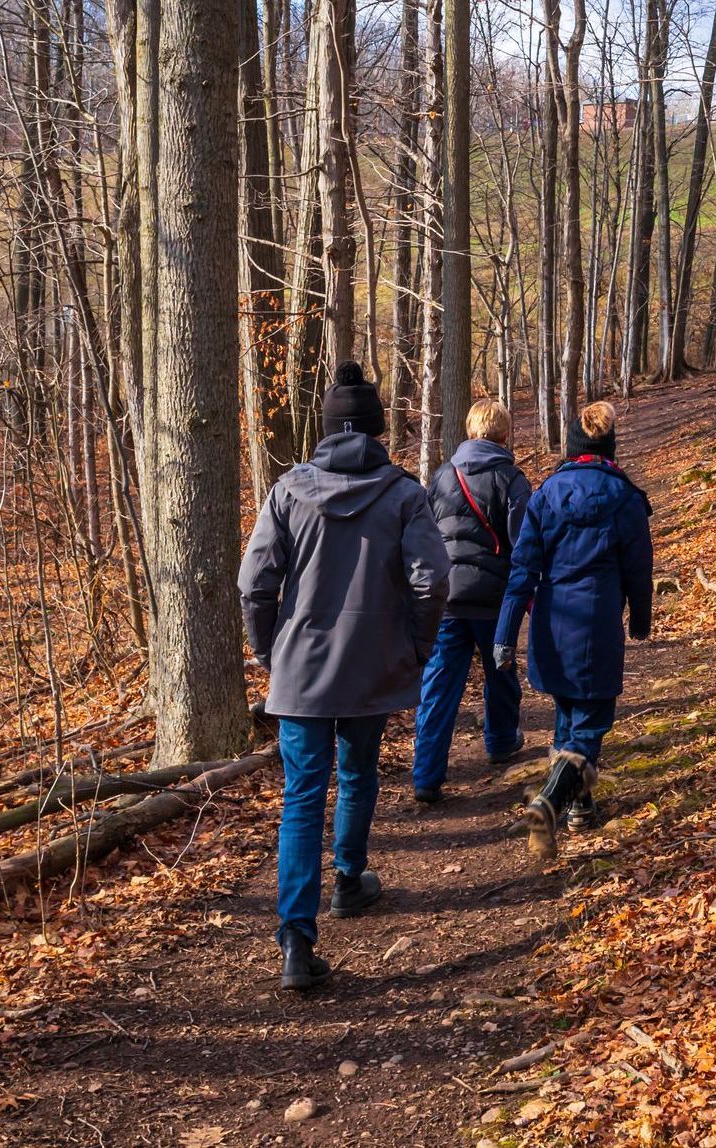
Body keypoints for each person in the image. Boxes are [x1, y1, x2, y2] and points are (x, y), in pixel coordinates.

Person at [238, 361, 449, 992]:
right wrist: (415, 644)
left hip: (300, 670)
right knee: (357, 773)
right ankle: (349, 880)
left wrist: (267, 652)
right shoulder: (404, 494)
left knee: (303, 795)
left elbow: (255, 582)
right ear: (379, 430)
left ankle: (297, 941)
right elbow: (433, 578)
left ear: (326, 431)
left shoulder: (288, 492)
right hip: (371, 665)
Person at [494, 401, 654, 861]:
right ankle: (549, 800)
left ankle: (580, 807)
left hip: (551, 622)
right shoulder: (624, 497)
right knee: (589, 725)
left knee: (568, 715)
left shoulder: (547, 493)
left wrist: (505, 634)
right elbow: (638, 569)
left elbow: (522, 568)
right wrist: (640, 619)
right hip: (597, 623)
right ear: (610, 446)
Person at [411, 399, 534, 804]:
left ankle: (426, 773)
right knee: (501, 670)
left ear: (469, 431)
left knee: (439, 683)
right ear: (503, 433)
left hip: (448, 598)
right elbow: (523, 542)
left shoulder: (442, 476)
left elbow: (427, 534)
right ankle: (500, 741)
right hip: (494, 599)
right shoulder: (511, 479)